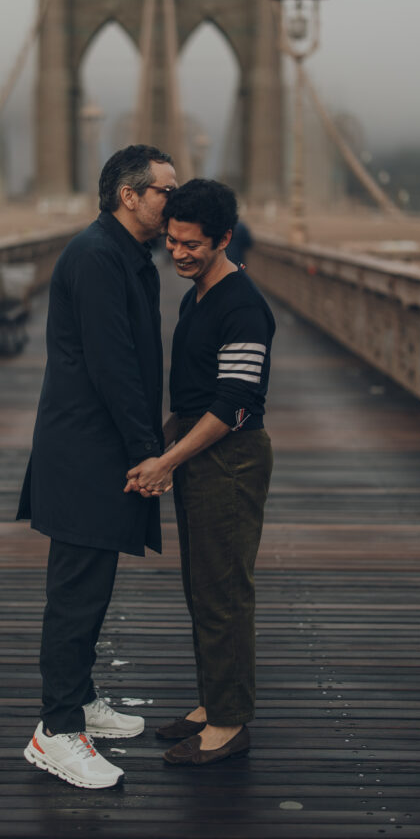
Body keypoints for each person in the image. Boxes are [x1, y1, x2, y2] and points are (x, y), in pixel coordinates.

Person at [17, 144, 177, 789]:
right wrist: (149, 453)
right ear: (129, 196)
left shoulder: (121, 253)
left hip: (95, 446)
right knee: (76, 595)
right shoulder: (96, 257)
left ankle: (78, 699)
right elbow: (113, 365)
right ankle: (55, 731)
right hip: (87, 450)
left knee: (92, 586)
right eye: (166, 189)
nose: (176, 198)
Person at [126, 179, 275, 766]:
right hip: (200, 449)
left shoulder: (242, 305)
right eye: (172, 242)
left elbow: (235, 402)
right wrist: (153, 448)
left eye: (193, 245)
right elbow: (192, 396)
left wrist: (167, 460)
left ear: (225, 240)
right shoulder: (196, 296)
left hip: (231, 459)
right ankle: (214, 702)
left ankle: (230, 722)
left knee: (224, 593)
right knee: (201, 589)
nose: (180, 254)